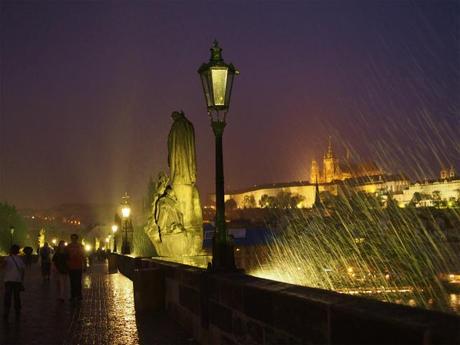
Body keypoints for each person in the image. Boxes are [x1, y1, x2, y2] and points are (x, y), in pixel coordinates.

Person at [3, 244, 25, 320]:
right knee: (17, 297)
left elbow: (3, 266)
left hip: (8, 280)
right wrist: (21, 280)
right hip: (17, 281)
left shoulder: (7, 258)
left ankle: (6, 312)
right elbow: (23, 271)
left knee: (7, 297)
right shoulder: (20, 259)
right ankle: (17, 311)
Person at [65, 234, 84, 301]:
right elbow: (66, 256)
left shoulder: (80, 246)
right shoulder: (68, 246)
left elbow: (83, 255)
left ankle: (79, 295)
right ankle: (73, 295)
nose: (73, 240)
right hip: (71, 266)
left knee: (78, 282)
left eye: (74, 238)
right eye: (72, 238)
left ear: (76, 239)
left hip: (78, 266)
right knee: (72, 282)